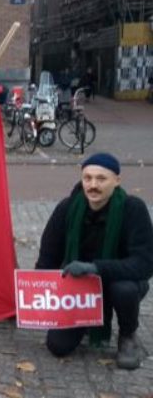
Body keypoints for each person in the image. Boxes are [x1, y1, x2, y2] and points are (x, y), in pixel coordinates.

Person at [35, 153, 153, 370]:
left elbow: (144, 264)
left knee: (124, 289)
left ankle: (128, 337)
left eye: (101, 179)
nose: (93, 185)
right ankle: (89, 321)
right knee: (58, 346)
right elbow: (48, 258)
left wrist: (96, 268)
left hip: (117, 283)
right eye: (87, 178)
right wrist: (37, 297)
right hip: (80, 292)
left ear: (117, 181)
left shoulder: (132, 209)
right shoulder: (67, 208)